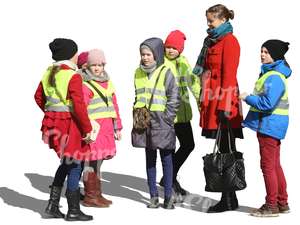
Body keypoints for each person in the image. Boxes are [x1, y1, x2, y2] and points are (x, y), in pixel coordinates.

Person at [34, 38, 93, 221]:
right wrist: (87, 128)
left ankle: (52, 206)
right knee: (75, 164)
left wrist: (51, 111)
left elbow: (38, 97)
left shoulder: (48, 72)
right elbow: (79, 105)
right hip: (70, 125)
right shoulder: (72, 75)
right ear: (70, 55)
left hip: (53, 124)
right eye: (76, 53)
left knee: (66, 162)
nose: (77, 56)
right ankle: (73, 210)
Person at [192, 4, 244, 213]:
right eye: (207, 20)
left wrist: (224, 107)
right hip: (213, 99)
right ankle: (229, 198)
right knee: (223, 149)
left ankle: (228, 198)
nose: (208, 24)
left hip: (224, 101)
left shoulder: (229, 42)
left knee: (226, 150)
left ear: (222, 20)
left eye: (211, 20)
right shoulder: (213, 41)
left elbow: (229, 75)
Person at [240, 40, 291, 217]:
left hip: (269, 126)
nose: (262, 55)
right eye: (261, 51)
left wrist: (247, 98)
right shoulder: (272, 74)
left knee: (268, 166)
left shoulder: (274, 77)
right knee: (275, 165)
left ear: (275, 55)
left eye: (267, 52)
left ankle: (271, 206)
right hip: (271, 125)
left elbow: (267, 103)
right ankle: (282, 202)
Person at [131, 37, 180, 209]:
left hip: (162, 120)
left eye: (148, 54)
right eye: (142, 54)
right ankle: (153, 196)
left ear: (157, 54)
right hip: (144, 120)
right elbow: (138, 95)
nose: (145, 57)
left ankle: (168, 197)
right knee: (149, 159)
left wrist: (168, 117)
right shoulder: (138, 72)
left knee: (167, 159)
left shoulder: (166, 72)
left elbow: (174, 97)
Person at [78, 49, 122, 208]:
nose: (97, 68)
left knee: (99, 162)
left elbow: (114, 105)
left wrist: (118, 127)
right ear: (88, 65)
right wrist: (86, 128)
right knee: (91, 162)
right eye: (93, 65)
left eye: (100, 64)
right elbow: (82, 107)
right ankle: (90, 196)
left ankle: (97, 193)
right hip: (94, 130)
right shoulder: (85, 83)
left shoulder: (108, 82)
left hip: (107, 129)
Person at [160, 30, 200, 197]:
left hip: (183, 115)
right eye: (168, 47)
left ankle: (169, 178)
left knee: (188, 145)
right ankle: (170, 180)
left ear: (180, 49)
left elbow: (193, 84)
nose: (170, 50)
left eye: (174, 48)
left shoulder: (184, 62)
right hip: (168, 115)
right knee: (169, 149)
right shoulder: (161, 63)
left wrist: (201, 103)